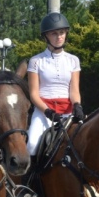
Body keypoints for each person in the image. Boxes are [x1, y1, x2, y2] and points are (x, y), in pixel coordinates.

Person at [26, 12, 83, 162]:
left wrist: (77, 105)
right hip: (44, 111)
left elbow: (74, 90)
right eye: (54, 33)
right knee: (32, 144)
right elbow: (33, 94)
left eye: (62, 32)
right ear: (46, 36)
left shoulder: (73, 60)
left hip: (67, 112)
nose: (59, 36)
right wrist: (47, 112)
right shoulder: (36, 61)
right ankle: (27, 182)